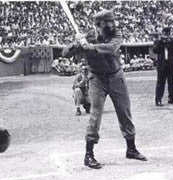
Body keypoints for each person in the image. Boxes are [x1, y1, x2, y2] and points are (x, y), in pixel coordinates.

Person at [63, 9, 147, 169]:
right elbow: (65, 53)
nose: (113, 24)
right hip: (97, 79)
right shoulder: (88, 36)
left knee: (124, 112)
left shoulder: (116, 33)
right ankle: (89, 155)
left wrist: (91, 47)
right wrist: (76, 44)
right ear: (100, 24)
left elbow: (112, 47)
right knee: (95, 115)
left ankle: (131, 149)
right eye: (109, 22)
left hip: (116, 77)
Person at [153, 27, 173, 106]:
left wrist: (170, 42)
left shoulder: (172, 40)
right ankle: (158, 100)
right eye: (165, 33)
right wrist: (161, 42)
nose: (167, 35)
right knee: (160, 83)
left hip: (170, 64)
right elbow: (155, 50)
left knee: (171, 82)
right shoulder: (158, 41)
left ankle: (171, 98)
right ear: (163, 33)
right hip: (162, 64)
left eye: (168, 33)